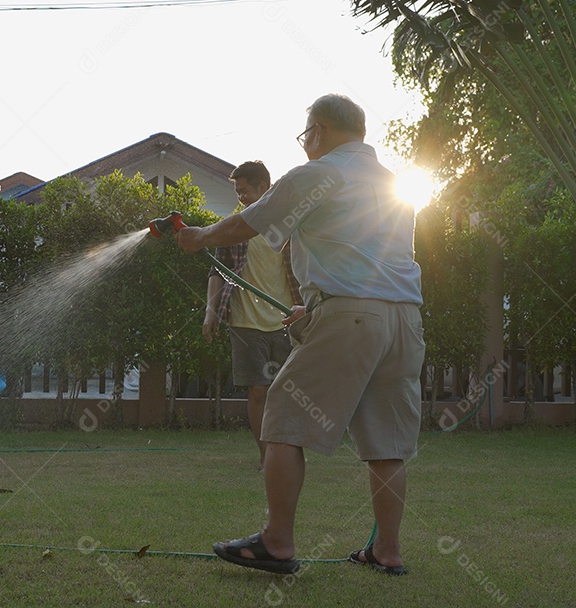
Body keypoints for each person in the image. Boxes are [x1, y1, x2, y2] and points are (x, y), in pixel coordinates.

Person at [176, 94, 424, 576]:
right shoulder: (392, 183)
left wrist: (200, 236)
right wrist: (312, 306)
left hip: (351, 317)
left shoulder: (318, 174)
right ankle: (387, 552)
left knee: (283, 416)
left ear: (321, 129)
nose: (305, 143)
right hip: (403, 320)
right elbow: (367, 261)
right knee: (386, 442)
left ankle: (277, 541)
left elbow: (251, 221)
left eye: (306, 133)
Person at [202, 160, 302, 469]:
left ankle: (286, 452)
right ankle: (266, 457)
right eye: (237, 192)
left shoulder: (289, 225)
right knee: (257, 392)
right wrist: (210, 313)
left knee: (285, 394)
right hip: (245, 322)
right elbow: (216, 272)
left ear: (264, 188)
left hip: (286, 321)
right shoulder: (233, 228)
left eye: (245, 191)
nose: (240, 198)